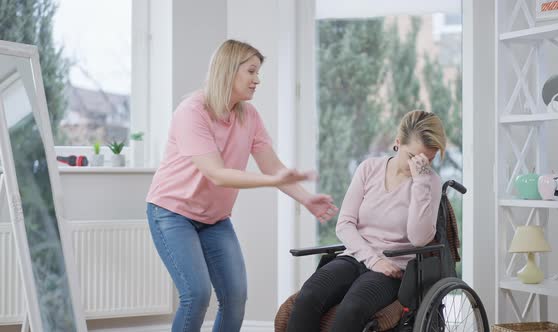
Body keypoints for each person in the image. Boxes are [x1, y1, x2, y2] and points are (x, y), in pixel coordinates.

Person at [146, 39, 338, 332]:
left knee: (235, 297)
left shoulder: (249, 116)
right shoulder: (192, 111)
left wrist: (305, 199)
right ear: (229, 70)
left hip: (214, 219)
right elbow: (218, 174)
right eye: (251, 71)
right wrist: (272, 181)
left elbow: (272, 166)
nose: (257, 79)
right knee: (196, 295)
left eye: (258, 72)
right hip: (172, 213)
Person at [286, 110, 446, 332]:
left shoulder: (430, 182)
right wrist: (372, 260)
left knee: (351, 309)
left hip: (394, 268)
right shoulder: (369, 168)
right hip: (356, 257)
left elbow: (419, 239)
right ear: (397, 143)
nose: (417, 166)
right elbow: (344, 224)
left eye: (426, 160)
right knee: (308, 296)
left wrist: (421, 182)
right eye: (412, 157)